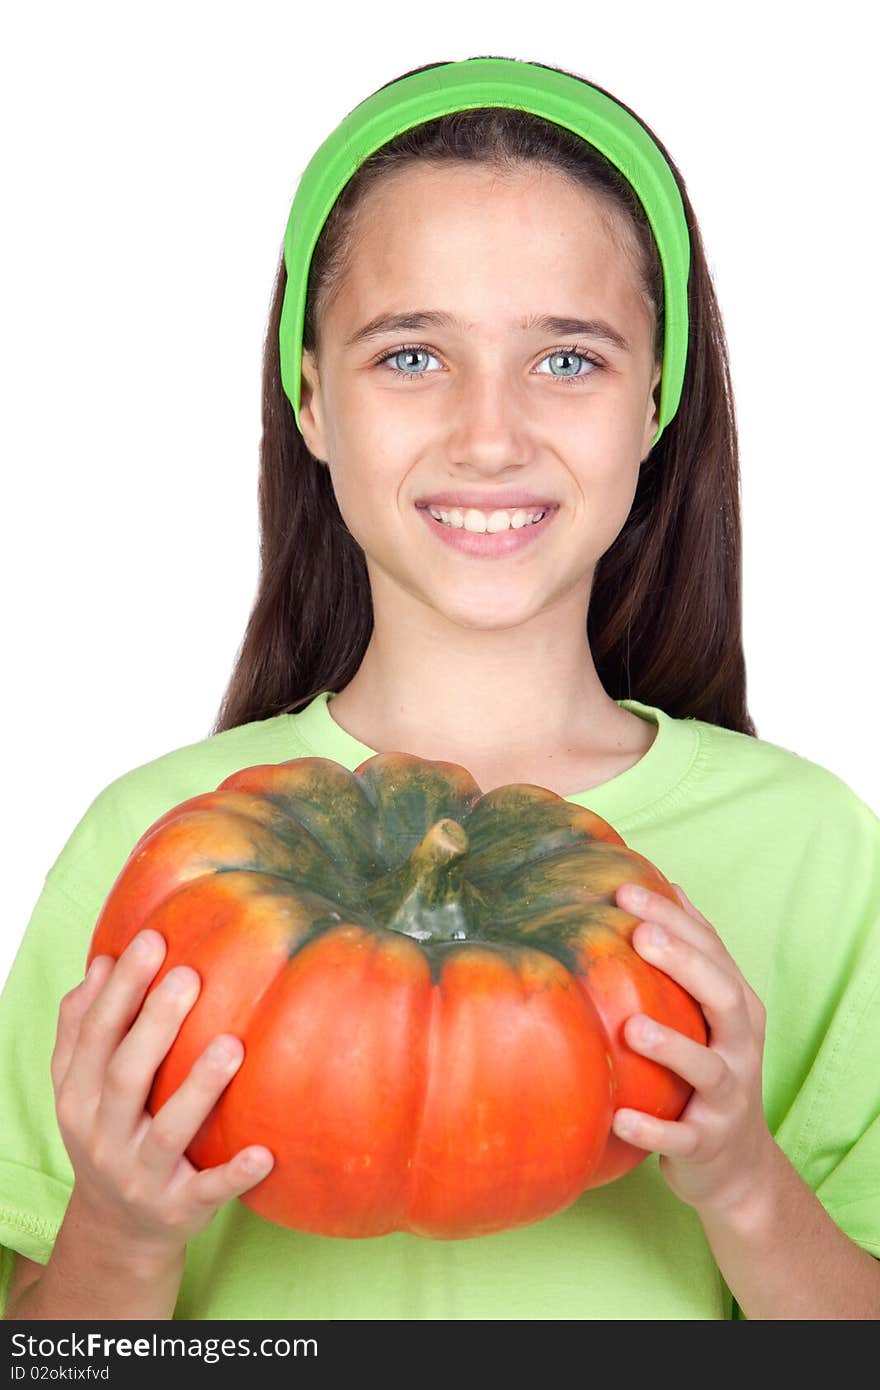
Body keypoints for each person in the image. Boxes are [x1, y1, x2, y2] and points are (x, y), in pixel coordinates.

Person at [2, 54, 878, 1323]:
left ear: (657, 402)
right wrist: (123, 1231)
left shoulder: (811, 852)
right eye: (411, 356)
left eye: (567, 361)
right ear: (310, 398)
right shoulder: (151, 854)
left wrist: (742, 1181)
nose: (487, 433)